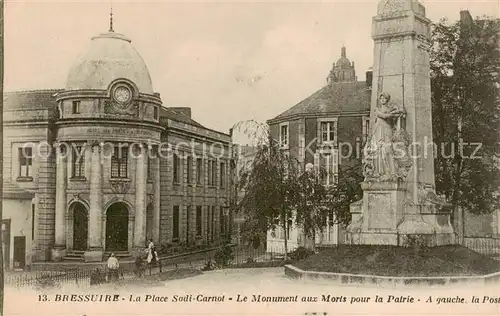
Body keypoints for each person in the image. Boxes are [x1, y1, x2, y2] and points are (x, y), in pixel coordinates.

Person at [365, 92, 405, 178]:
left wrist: (389, 113)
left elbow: (392, 115)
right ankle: (378, 172)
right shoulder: (377, 109)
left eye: (384, 98)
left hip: (386, 130)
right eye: (381, 98)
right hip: (377, 130)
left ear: (387, 100)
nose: (382, 100)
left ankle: (390, 172)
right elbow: (379, 119)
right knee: (376, 151)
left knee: (387, 150)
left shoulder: (389, 109)